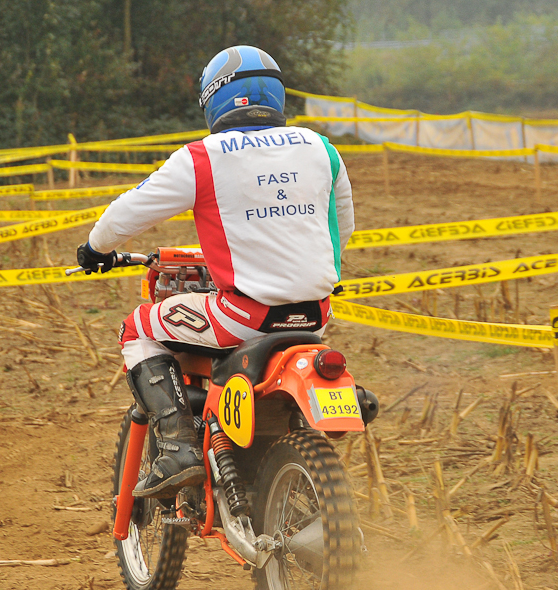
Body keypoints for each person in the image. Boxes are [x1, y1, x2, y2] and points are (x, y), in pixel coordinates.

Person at [75, 45, 355, 500]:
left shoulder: (203, 156)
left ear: (214, 98)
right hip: (315, 317)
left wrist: (94, 249)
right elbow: (341, 226)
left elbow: (126, 213)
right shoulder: (321, 148)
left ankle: (177, 448)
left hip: (243, 318)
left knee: (137, 328)